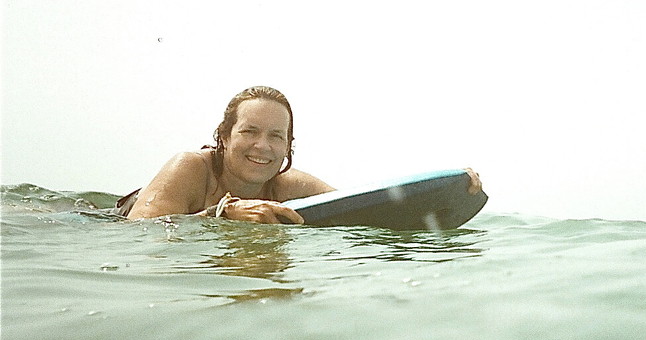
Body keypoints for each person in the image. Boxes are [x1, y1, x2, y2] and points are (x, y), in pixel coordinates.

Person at [117, 86, 482, 224]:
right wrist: (220, 215)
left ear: (287, 147)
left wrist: (448, 186)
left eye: (277, 136)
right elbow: (139, 232)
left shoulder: (290, 186)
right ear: (224, 137)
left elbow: (359, 209)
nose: (263, 146)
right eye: (249, 132)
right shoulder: (192, 167)